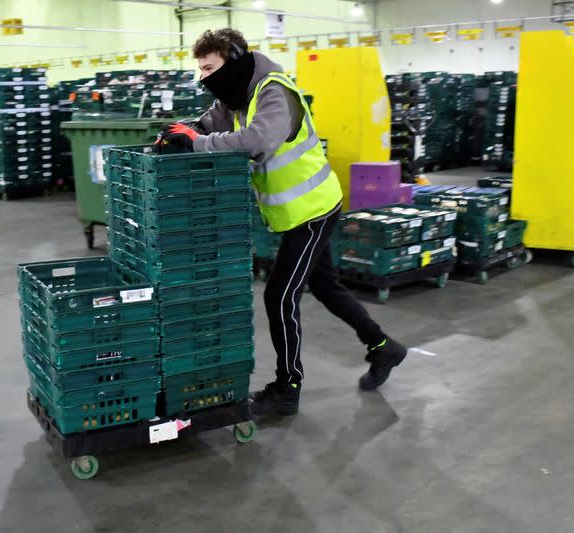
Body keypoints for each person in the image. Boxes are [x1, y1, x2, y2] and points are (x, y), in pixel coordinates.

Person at [159, 28, 408, 416]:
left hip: (312, 210)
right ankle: (383, 347)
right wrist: (182, 131)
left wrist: (197, 143)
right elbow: (211, 120)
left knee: (279, 296)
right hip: (297, 212)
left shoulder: (274, 92)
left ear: (235, 60)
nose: (204, 78)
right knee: (326, 287)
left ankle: (287, 388)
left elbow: (257, 140)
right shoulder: (239, 92)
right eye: (201, 70)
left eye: (209, 68)